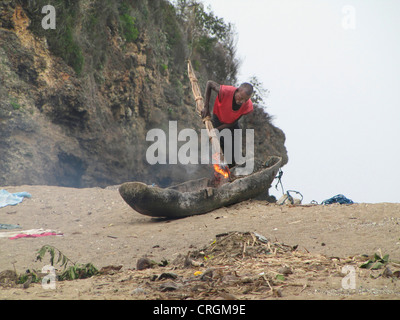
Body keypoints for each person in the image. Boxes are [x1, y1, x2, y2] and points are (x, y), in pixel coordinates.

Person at [201, 81, 254, 167]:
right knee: (221, 144)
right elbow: (209, 84)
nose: (242, 101)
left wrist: (217, 130)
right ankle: (222, 168)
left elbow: (233, 122)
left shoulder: (247, 106)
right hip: (218, 119)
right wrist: (206, 107)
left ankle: (232, 170)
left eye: (245, 100)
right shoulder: (226, 91)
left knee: (233, 153)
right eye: (240, 97)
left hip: (232, 126)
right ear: (237, 90)